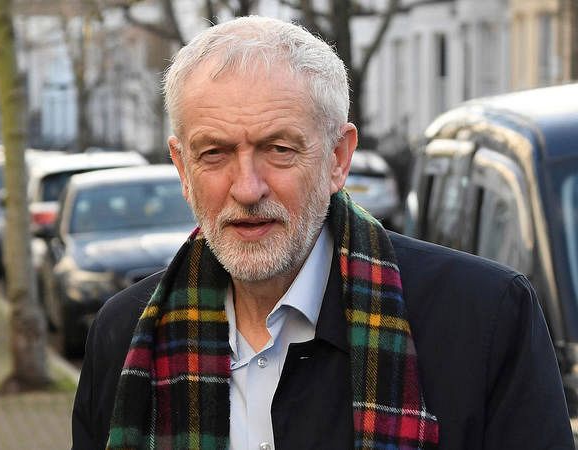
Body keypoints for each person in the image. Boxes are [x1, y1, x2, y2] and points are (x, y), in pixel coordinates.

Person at [71, 16, 574, 450]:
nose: (247, 188)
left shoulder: (485, 318)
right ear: (182, 167)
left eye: (279, 150)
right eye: (214, 154)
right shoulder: (126, 337)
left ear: (338, 158)